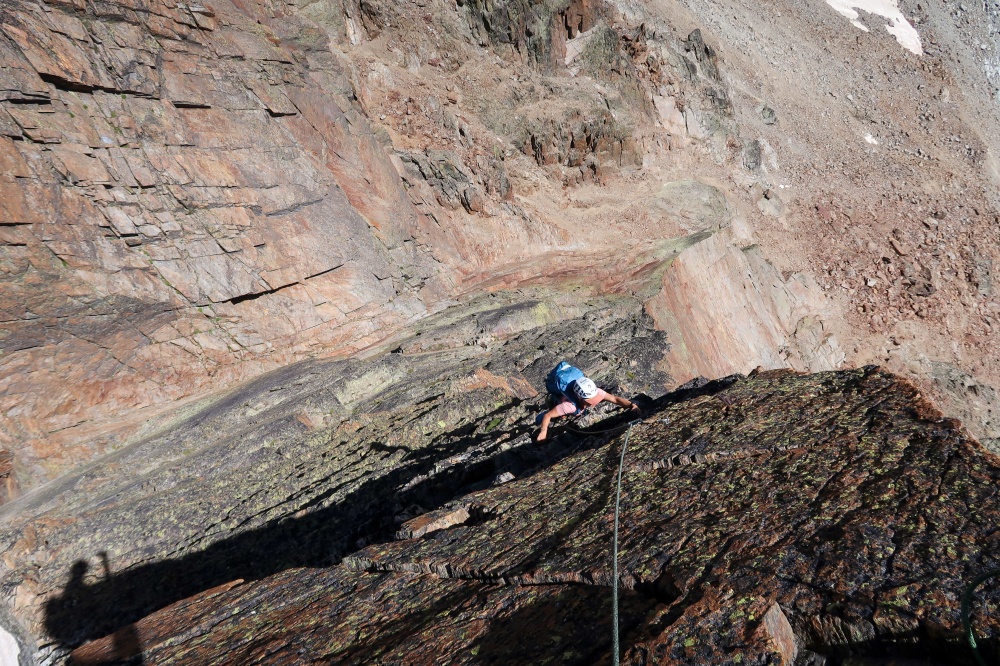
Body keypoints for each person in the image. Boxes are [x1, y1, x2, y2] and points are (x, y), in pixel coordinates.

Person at [535, 374, 639, 441]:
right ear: (580, 398)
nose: (593, 403)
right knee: (542, 418)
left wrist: (631, 405)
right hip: (561, 405)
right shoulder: (569, 406)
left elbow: (615, 399)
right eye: (589, 402)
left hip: (574, 407)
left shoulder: (595, 392)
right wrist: (543, 431)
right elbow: (548, 415)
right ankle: (538, 422)